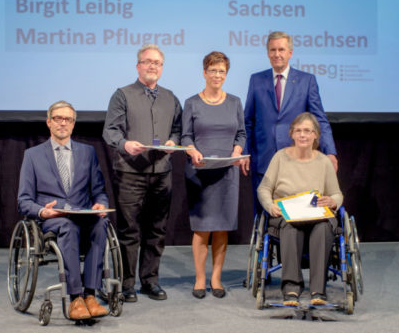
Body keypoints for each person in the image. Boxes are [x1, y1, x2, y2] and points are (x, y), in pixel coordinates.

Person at [103, 44, 182, 302]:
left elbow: (179, 129)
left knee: (157, 229)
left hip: (162, 172)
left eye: (157, 63)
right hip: (130, 172)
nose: (152, 66)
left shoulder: (171, 98)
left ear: (162, 68)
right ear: (138, 66)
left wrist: (173, 141)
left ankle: (150, 281)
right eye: (147, 62)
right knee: (130, 231)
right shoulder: (122, 95)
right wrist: (125, 144)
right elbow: (111, 131)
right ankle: (126, 285)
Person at [17, 100, 109, 320]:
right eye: (58, 118)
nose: (63, 123)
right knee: (68, 226)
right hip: (54, 219)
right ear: (49, 122)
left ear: (73, 124)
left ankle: (90, 295)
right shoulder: (33, 155)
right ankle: (75, 297)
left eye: (68, 119)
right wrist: (42, 211)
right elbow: (23, 200)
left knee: (101, 222)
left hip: (83, 215)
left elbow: (99, 191)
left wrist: (101, 204)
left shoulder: (88, 152)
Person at [241, 31, 338, 212]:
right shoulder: (256, 80)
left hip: (297, 161)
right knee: (263, 214)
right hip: (263, 159)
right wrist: (244, 151)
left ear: (290, 53)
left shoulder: (307, 81)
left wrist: (330, 152)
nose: (277, 54)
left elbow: (320, 120)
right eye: (273, 50)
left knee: (299, 214)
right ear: (268, 53)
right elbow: (248, 121)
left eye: (281, 50)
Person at [257, 112, 343, 306]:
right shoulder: (280, 157)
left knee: (323, 228)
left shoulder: (323, 162)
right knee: (291, 226)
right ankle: (291, 290)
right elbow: (264, 188)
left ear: (315, 135)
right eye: (298, 131)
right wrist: (270, 205)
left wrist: (332, 201)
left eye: (307, 131)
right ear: (292, 134)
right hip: (286, 213)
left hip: (316, 213)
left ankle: (318, 291)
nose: (303, 135)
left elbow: (337, 194)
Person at [182, 52, 246, 299]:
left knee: (221, 229)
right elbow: (186, 135)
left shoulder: (235, 102)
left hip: (227, 173)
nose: (217, 75)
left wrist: (238, 150)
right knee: (202, 229)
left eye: (222, 71)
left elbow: (241, 133)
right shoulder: (191, 103)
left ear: (226, 75)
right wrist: (192, 150)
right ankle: (200, 279)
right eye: (213, 70)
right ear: (204, 73)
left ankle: (216, 278)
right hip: (200, 172)